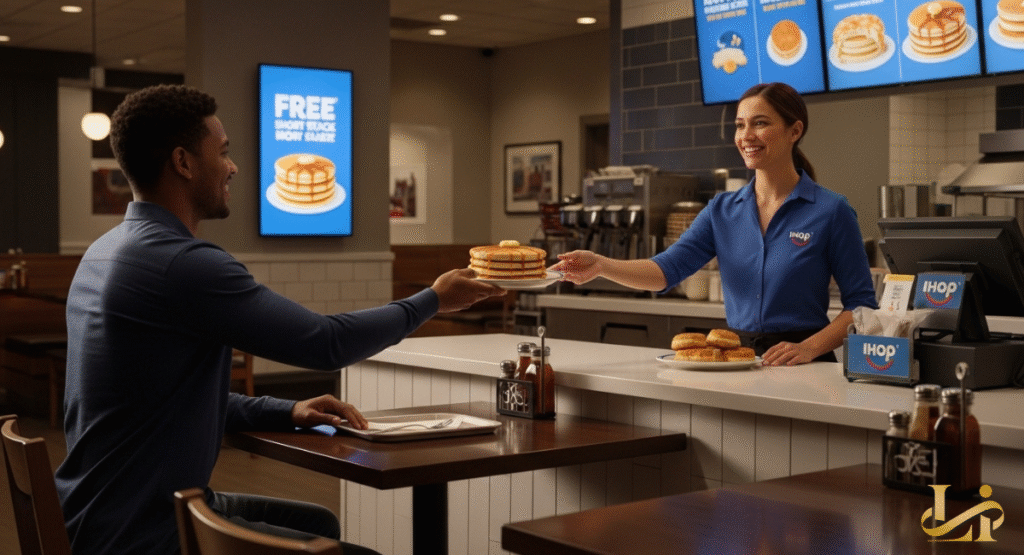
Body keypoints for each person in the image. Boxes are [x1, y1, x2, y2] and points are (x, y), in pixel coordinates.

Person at [55, 84, 505, 555]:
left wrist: (285, 409)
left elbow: (158, 401)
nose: (232, 167)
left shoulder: (104, 252)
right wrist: (432, 300)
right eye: (223, 152)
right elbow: (325, 343)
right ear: (183, 162)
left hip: (98, 512)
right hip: (145, 533)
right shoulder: (184, 264)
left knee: (318, 521)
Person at [553, 82, 878, 365]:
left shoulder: (831, 210)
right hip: (736, 360)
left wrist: (808, 348)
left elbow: (862, 306)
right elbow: (665, 271)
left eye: (760, 123)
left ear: (795, 131)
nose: (746, 136)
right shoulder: (722, 210)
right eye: (740, 125)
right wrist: (600, 265)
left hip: (806, 364)